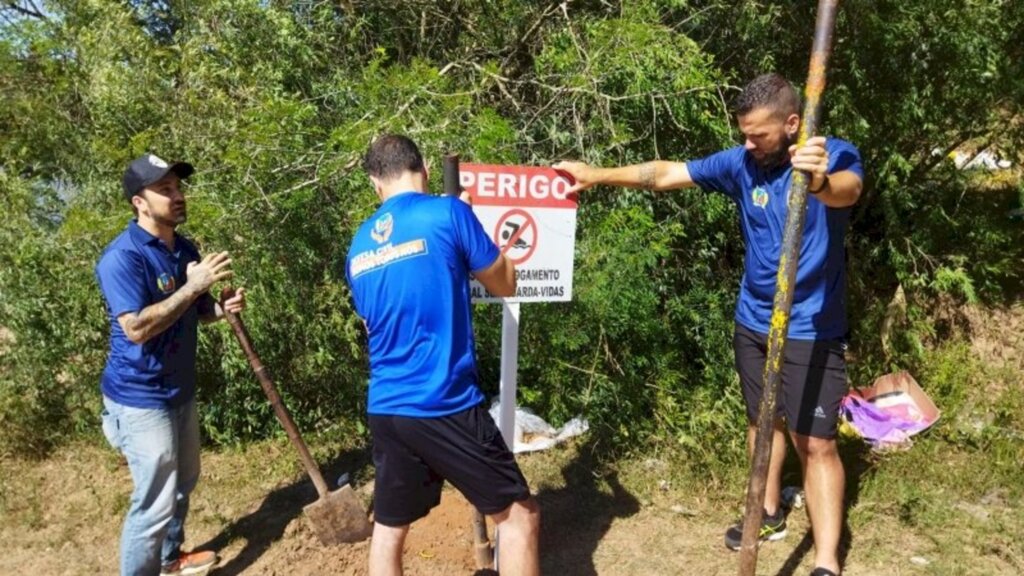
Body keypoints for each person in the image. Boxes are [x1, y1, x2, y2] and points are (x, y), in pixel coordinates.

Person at [554, 73, 863, 576]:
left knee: (818, 442)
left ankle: (826, 559)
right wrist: (597, 174)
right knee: (761, 421)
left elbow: (848, 191)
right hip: (754, 318)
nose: (747, 143)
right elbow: (666, 173)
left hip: (811, 324)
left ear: (791, 124)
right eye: (743, 132)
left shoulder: (829, 155)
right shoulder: (742, 163)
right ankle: (765, 512)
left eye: (758, 134)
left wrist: (820, 180)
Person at [346, 135, 541, 576]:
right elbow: (504, 283)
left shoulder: (358, 246)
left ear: (375, 184)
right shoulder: (449, 212)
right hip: (443, 401)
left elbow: (373, 320)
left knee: (390, 529)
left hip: (386, 406)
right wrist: (471, 220)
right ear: (425, 168)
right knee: (518, 516)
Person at [96, 153, 246, 576]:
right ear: (139, 203)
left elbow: (194, 311)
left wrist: (221, 309)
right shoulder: (122, 258)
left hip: (180, 387)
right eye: (165, 190)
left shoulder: (183, 249)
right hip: (140, 396)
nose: (178, 196)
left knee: (184, 481)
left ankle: (169, 559)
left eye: (178, 188)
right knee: (154, 503)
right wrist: (195, 284)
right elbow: (138, 329)